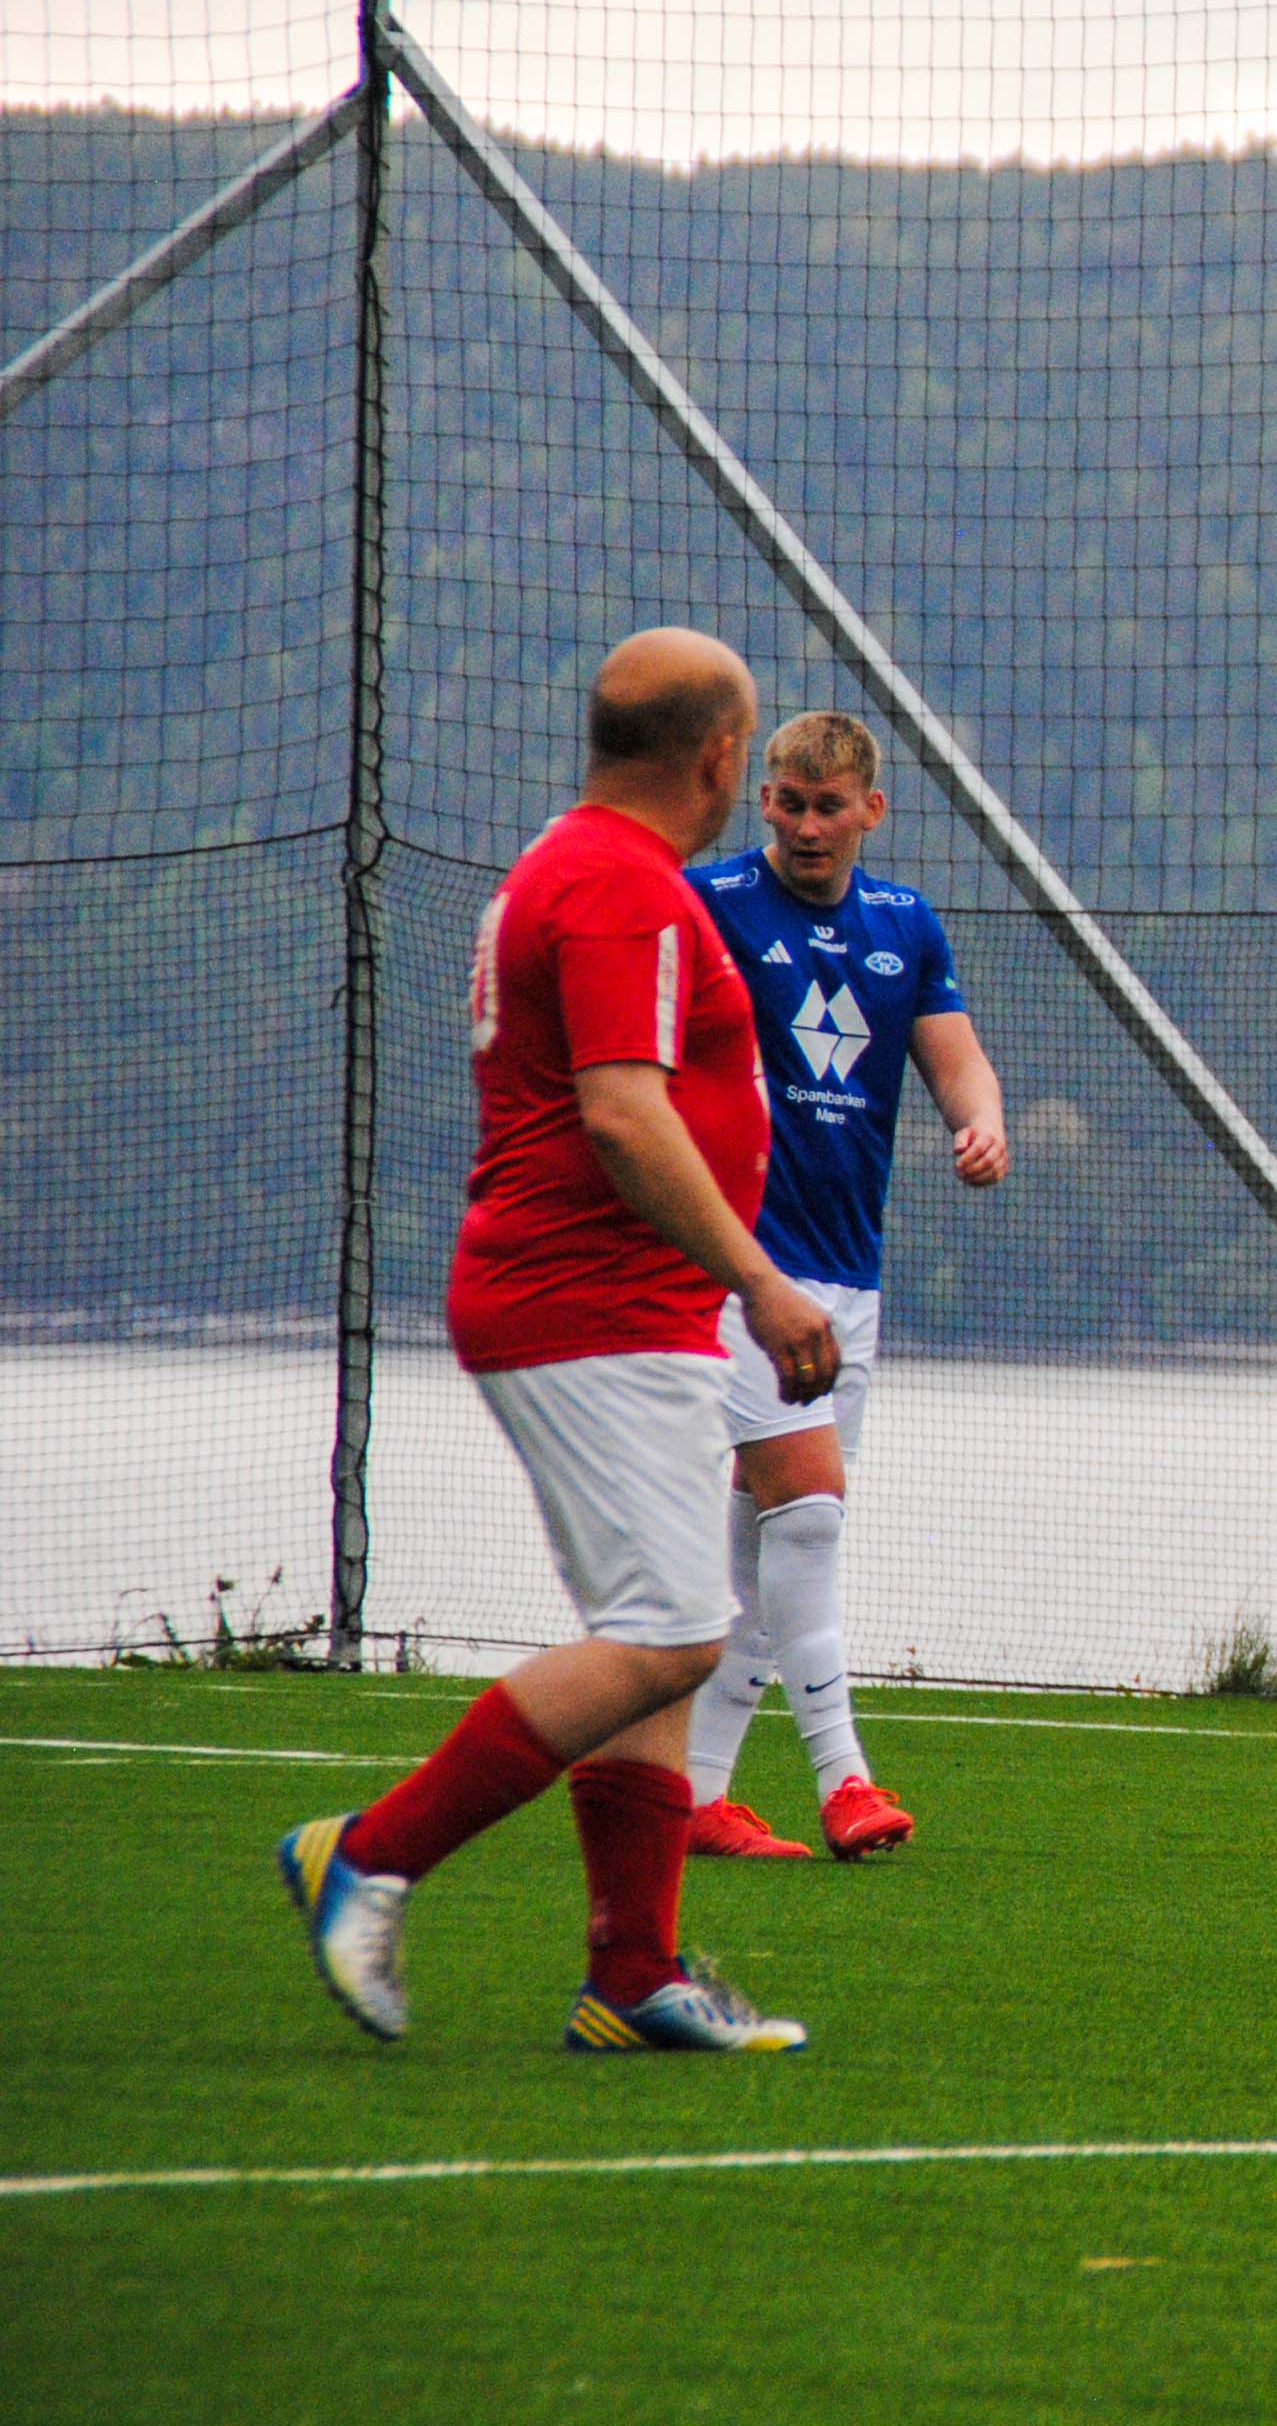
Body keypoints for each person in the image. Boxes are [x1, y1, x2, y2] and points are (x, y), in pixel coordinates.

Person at [277, 628, 836, 2052]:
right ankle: (369, 1854)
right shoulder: (618, 886)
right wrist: (761, 1282)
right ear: (721, 757)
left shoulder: (571, 864)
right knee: (670, 1632)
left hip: (619, 1305)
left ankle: (632, 1977)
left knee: (661, 1632)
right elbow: (623, 1112)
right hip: (591, 1304)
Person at [677, 709, 1009, 1860]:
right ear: (762, 801)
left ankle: (694, 1797)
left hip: (848, 1275)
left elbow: (955, 1058)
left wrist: (980, 1123)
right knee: (810, 1517)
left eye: (830, 807)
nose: (807, 827)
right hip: (739, 1268)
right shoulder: (710, 904)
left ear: (871, 810)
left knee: (766, 1541)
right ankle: (845, 1783)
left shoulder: (904, 924)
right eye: (789, 803)